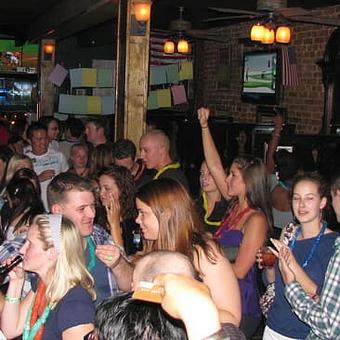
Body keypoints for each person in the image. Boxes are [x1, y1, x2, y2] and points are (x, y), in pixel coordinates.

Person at [198, 107, 272, 338]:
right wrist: (204, 126)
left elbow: (240, 270)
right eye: (229, 174)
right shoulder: (233, 206)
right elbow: (215, 165)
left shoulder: (256, 219)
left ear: (248, 182)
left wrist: (202, 263)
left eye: (233, 176)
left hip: (243, 301)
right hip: (222, 292)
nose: (226, 179)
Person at [135, 178, 241, 326]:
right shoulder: (154, 245)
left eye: (142, 213)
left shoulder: (203, 254)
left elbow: (232, 318)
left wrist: (185, 306)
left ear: (166, 214)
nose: (137, 220)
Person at [261, 173, 339, 339]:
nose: (301, 205)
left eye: (309, 198)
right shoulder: (289, 232)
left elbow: (321, 295)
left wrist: (291, 264)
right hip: (274, 327)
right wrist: (269, 267)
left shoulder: (333, 244)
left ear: (323, 202)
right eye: (296, 198)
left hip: (306, 333)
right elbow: (274, 283)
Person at [1, 213, 96, 339]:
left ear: (52, 253)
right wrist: (16, 282)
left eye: (30, 244)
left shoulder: (75, 306)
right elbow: (10, 330)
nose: (22, 250)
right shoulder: (43, 284)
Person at [97, 165, 140, 255]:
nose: (101, 193)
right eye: (100, 188)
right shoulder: (96, 215)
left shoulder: (136, 221)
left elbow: (134, 252)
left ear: (122, 190)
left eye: (107, 189)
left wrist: (115, 225)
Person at [25, 122, 69, 209]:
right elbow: (21, 185)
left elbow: (67, 178)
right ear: (29, 141)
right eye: (39, 139)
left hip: (56, 206)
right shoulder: (25, 158)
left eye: (45, 138)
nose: (43, 142)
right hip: (34, 208)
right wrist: (38, 179)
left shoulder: (58, 155)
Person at [0, 178, 45, 243]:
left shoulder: (30, 219)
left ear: (14, 200)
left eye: (8, 198)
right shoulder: (28, 212)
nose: (7, 202)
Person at [196, 160, 230, 234]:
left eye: (210, 173)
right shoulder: (193, 204)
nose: (203, 178)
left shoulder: (230, 207)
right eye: (202, 173)